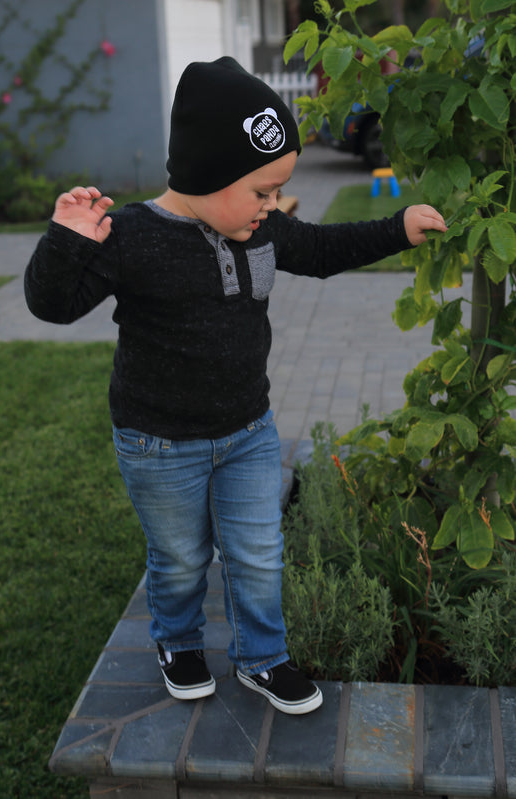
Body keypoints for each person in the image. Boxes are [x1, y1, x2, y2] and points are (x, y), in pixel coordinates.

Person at [24, 57, 447, 715]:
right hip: (159, 442)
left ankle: (262, 658)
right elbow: (54, 304)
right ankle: (178, 642)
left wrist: (397, 228)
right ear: (205, 174)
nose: (272, 205)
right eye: (260, 191)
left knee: (257, 551)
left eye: (277, 190)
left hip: (248, 431)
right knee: (179, 558)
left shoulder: (263, 230)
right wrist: (65, 242)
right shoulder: (133, 235)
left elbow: (322, 251)